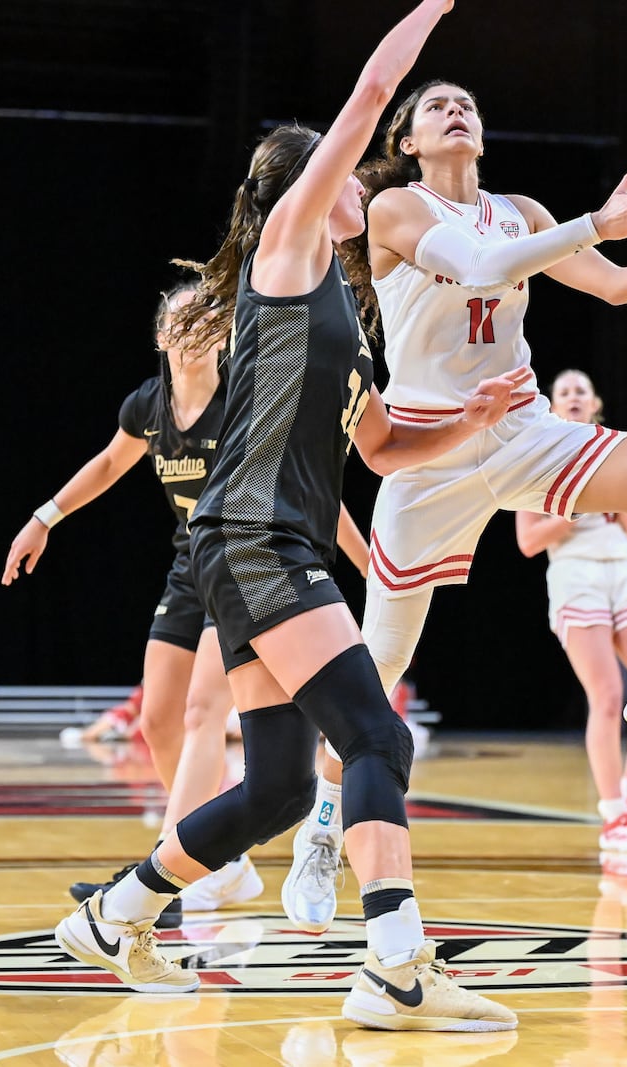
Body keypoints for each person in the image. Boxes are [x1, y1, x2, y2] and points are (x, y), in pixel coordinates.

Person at [54, 0, 529, 1031]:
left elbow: (383, 450)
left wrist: (471, 419)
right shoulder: (288, 249)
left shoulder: (345, 322)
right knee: (373, 732)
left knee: (272, 789)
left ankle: (116, 911)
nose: (363, 181)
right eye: (349, 170)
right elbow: (366, 100)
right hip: (257, 541)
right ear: (310, 187)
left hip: (269, 548)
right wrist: (432, 11)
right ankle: (397, 959)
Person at [281, 64, 627, 929]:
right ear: (407, 142)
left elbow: (615, 285)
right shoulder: (398, 211)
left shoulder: (525, 211)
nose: (454, 110)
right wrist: (600, 222)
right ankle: (321, 828)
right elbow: (478, 268)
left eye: (465, 102)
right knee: (379, 672)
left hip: (521, 428)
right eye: (435, 107)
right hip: (428, 453)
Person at [4, 281, 371, 925]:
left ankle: (162, 882)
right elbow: (108, 465)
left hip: (247, 560)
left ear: (226, 335)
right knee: (158, 721)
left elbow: (320, 490)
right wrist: (44, 517)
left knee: (205, 713)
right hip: (189, 569)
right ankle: (220, 861)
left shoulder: (243, 402)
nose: (196, 327)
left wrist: (369, 562)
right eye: (183, 318)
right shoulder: (148, 407)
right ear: (160, 336)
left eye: (209, 317)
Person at [514, 369, 627, 853]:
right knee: (607, 694)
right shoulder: (537, 456)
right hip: (576, 577)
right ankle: (612, 816)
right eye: (565, 392)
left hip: (623, 571)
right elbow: (528, 541)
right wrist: (574, 507)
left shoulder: (613, 449)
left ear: (594, 403)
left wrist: (617, 497)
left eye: (581, 391)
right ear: (552, 406)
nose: (574, 397)